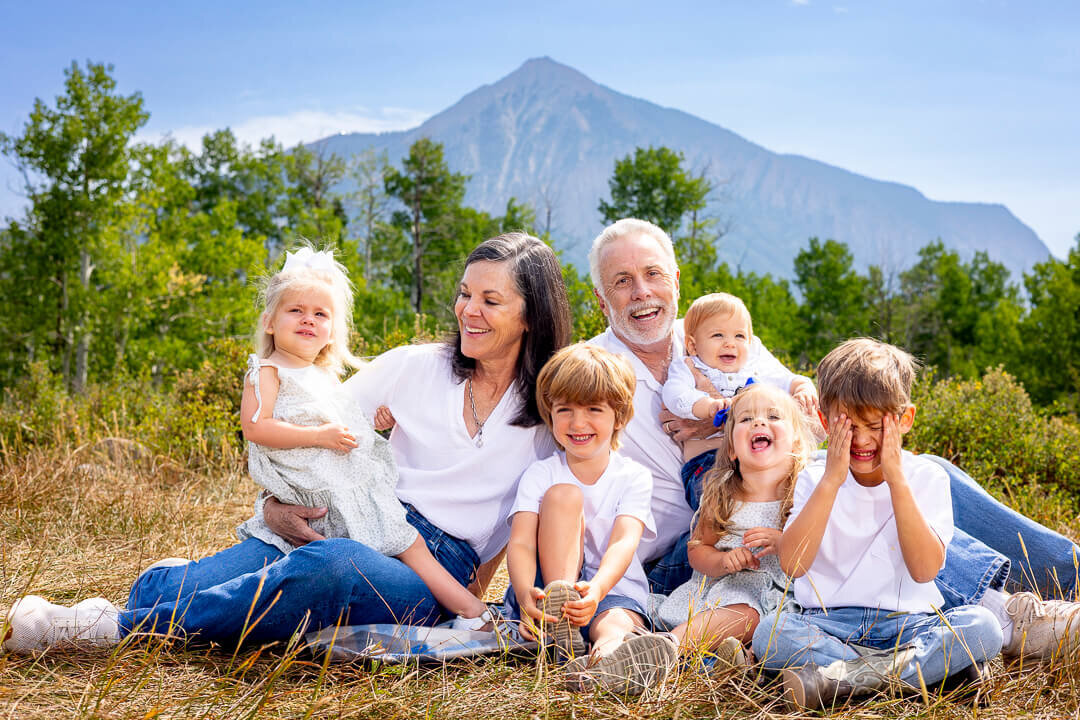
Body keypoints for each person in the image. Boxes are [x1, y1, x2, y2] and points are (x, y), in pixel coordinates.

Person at [2, 232, 572, 653]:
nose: (468, 311)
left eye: (491, 301)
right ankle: (176, 588)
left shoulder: (551, 414)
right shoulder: (411, 367)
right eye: (464, 294)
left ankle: (105, 630)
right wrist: (273, 508)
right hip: (344, 518)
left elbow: (536, 517)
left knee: (332, 567)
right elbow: (305, 432)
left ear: (531, 315)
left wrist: (468, 596)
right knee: (171, 583)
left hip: (427, 568)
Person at [586, 217, 1080, 663]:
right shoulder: (588, 374)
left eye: (652, 274)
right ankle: (1011, 614)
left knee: (913, 472)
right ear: (601, 299)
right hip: (703, 543)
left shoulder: (715, 332)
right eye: (622, 281)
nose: (641, 292)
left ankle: (1068, 570)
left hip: (780, 481)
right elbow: (548, 484)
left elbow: (804, 408)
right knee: (857, 493)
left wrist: (729, 416)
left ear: (675, 280)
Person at [753, 338, 1003, 708]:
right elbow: (793, 565)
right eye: (849, 427)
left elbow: (924, 570)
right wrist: (832, 481)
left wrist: (897, 481)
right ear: (825, 421)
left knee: (983, 626)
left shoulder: (926, 477)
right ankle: (924, 677)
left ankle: (844, 679)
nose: (863, 440)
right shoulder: (814, 478)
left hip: (909, 624)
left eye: (875, 426)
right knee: (769, 634)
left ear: (904, 420)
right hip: (828, 624)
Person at [504, 343, 676, 695]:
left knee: (614, 623)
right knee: (564, 495)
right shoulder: (542, 474)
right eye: (564, 409)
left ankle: (606, 662)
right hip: (544, 593)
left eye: (593, 409)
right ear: (549, 413)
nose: (577, 422)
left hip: (608, 589)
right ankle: (560, 619)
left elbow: (624, 541)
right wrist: (525, 595)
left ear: (620, 416)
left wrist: (596, 591)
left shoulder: (633, 476)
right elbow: (520, 542)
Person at [654, 384, 814, 667]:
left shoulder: (805, 493)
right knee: (743, 615)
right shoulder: (723, 494)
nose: (759, 422)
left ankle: (723, 665)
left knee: (764, 631)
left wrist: (783, 543)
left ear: (797, 443)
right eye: (746, 419)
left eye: (774, 417)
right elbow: (698, 549)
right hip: (730, 593)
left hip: (784, 601)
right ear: (731, 450)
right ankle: (667, 649)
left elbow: (819, 550)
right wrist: (724, 560)